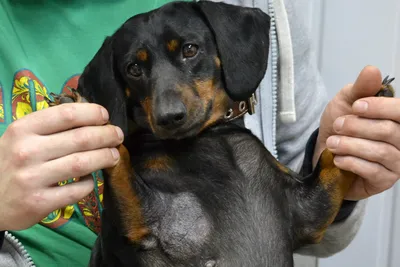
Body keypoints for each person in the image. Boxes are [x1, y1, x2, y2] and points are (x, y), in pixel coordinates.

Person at [0, 0, 398, 266]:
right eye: (137, 71)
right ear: (120, 87)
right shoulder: (132, 156)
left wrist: (338, 153)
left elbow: (310, 224)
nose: (170, 108)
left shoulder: (245, 11)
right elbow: (133, 232)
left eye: (189, 51)